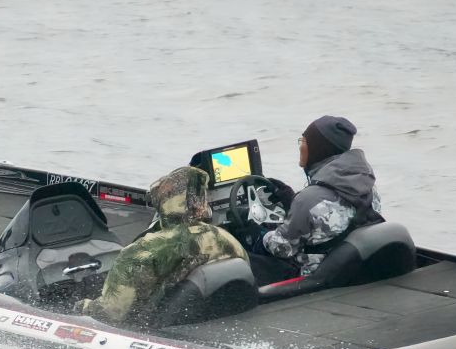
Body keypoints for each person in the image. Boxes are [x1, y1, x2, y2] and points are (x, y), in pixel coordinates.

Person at [79, 165, 248, 325]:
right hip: (206, 318)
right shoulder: (227, 239)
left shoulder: (142, 251)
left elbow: (113, 312)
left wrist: (83, 307)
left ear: (163, 203)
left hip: (153, 324)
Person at [257, 115, 382, 278]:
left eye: (303, 141)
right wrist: (292, 202)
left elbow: (283, 248)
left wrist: (259, 234)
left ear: (318, 148)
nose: (300, 147)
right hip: (355, 268)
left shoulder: (308, 200)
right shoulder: (368, 187)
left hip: (317, 277)